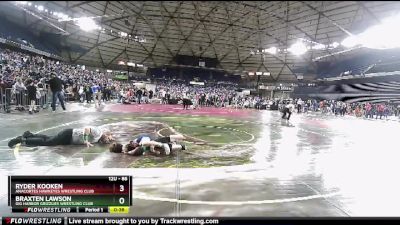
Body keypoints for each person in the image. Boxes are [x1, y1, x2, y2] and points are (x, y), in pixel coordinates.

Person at [8, 126, 114, 148]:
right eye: (108, 139)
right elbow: (87, 129)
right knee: (48, 142)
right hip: (69, 134)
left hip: (69, 139)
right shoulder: (98, 132)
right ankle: (24, 140)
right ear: (107, 134)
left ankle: (29, 135)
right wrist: (86, 141)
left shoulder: (99, 138)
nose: (106, 141)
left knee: (48, 138)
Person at [109, 134, 186, 156]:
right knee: (151, 146)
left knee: (149, 145)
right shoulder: (126, 149)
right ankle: (177, 145)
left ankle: (164, 145)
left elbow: (138, 147)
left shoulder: (127, 148)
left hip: (144, 140)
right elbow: (138, 149)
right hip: (145, 140)